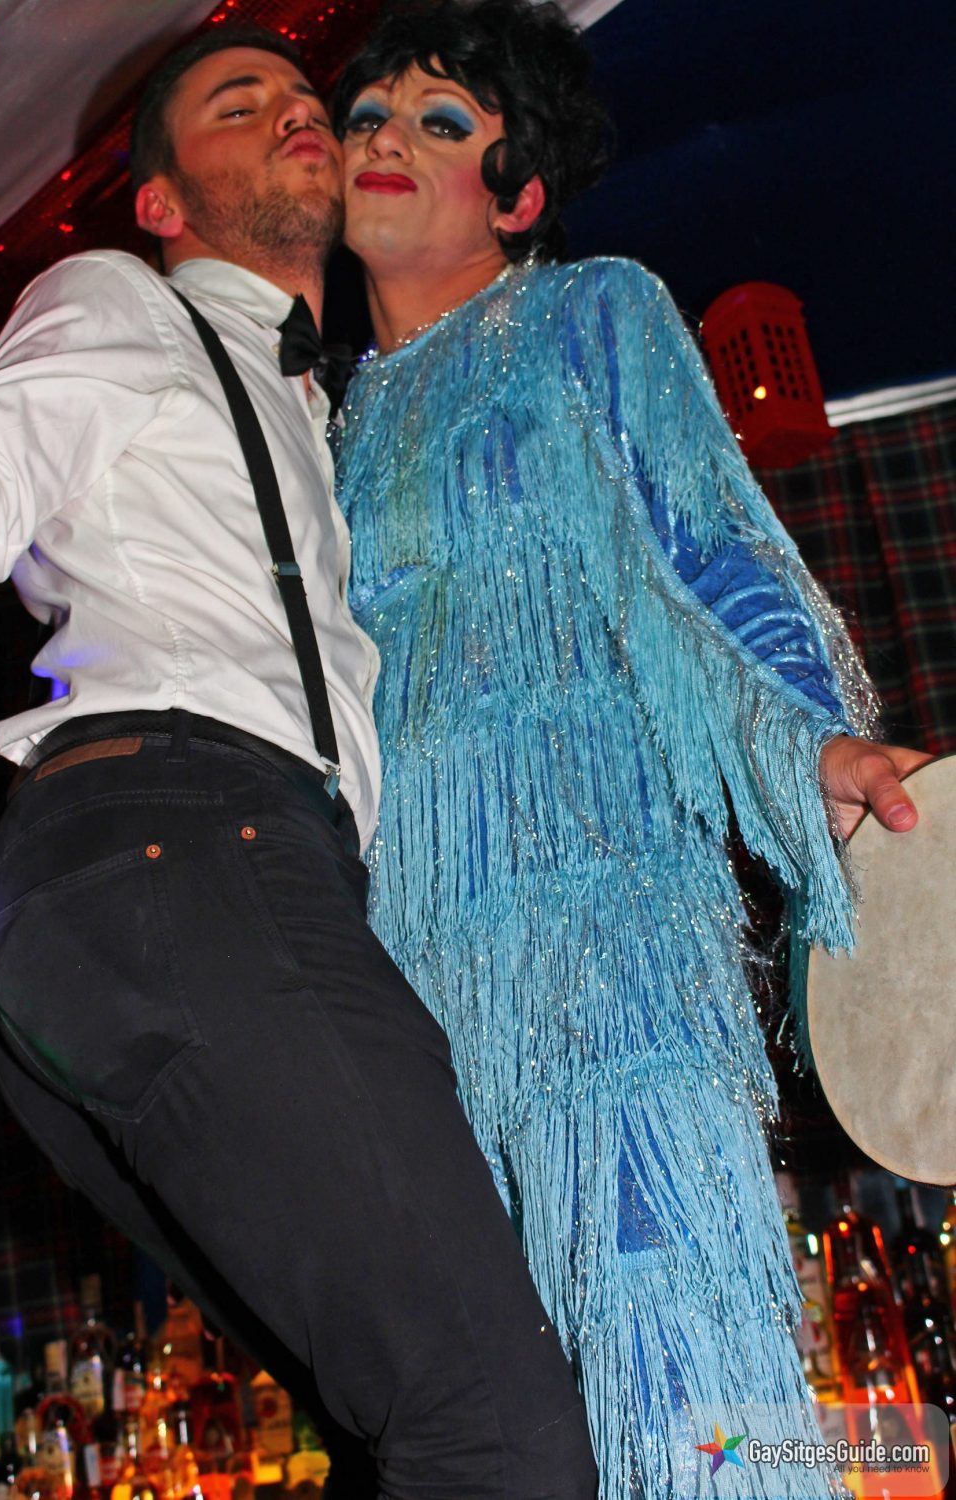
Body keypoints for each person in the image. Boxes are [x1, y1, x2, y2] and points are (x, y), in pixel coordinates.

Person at [0, 23, 599, 1498]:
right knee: (494, 1429)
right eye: (240, 107)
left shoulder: (317, 407)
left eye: (307, 98)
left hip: (140, 901)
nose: (301, 115)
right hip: (182, 841)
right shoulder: (120, 301)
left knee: (407, 1429)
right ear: (162, 201)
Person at [333, 1, 930, 1494]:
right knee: (500, 1407)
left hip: (604, 919)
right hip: (410, 958)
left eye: (440, 123)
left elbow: (708, 546)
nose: (385, 139)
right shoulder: (324, 419)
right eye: (367, 117)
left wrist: (816, 742)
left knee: (676, 1345)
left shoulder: (589, 311)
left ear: (518, 194)